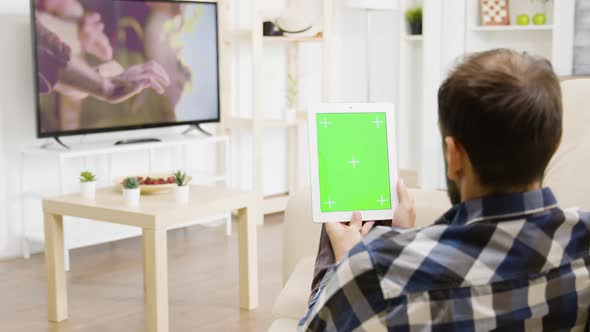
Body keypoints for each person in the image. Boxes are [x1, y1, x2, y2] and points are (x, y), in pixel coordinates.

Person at [300, 49, 590, 331]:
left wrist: (347, 261)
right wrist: (399, 237)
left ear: (455, 156)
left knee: (333, 236)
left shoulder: (374, 272)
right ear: (556, 143)